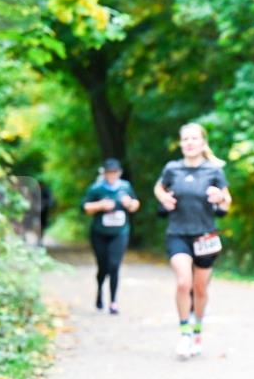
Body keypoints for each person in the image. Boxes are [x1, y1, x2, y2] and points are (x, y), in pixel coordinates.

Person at [153, 123, 232, 359]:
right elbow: (158, 187)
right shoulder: (172, 168)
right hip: (177, 233)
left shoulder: (213, 171)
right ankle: (185, 333)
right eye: (185, 139)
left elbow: (227, 201)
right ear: (180, 144)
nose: (189, 142)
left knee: (199, 288)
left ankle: (197, 332)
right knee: (183, 283)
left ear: (202, 143)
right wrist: (164, 198)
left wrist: (219, 198)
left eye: (194, 138)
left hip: (205, 236)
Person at [81, 158, 140, 315]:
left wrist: (130, 203)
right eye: (109, 173)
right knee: (103, 267)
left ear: (119, 173)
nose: (112, 176)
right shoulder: (96, 188)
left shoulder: (125, 187)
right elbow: (84, 207)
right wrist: (100, 205)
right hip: (99, 233)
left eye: (114, 173)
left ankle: (113, 302)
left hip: (119, 233)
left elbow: (135, 205)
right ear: (104, 173)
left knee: (114, 265)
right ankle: (100, 290)